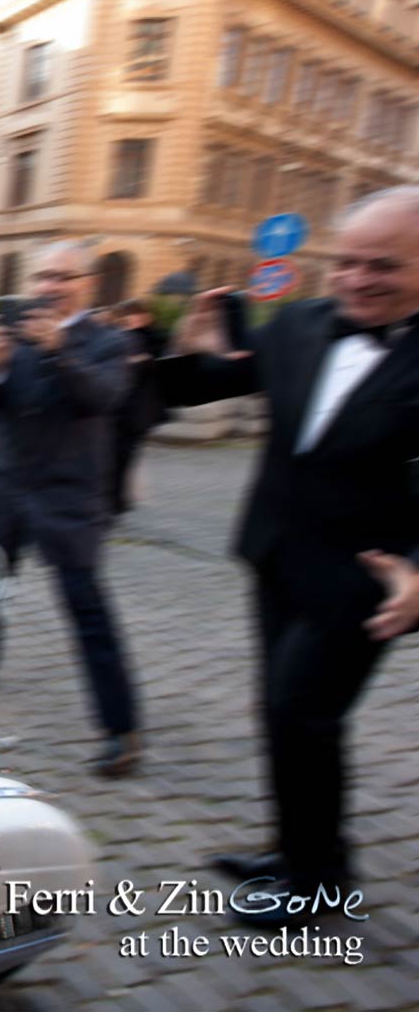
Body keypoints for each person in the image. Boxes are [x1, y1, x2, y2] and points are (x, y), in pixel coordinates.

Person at [156, 186, 419, 925]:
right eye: (346, 262)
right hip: (276, 552)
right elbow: (202, 385)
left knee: (303, 711)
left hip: (366, 575)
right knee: (278, 709)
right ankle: (294, 849)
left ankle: (320, 879)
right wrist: (188, 343)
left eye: (384, 266)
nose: (358, 278)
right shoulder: (300, 320)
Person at [0, 241, 143, 779]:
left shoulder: (109, 341)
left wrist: (58, 348)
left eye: (63, 277)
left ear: (87, 282)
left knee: (86, 607)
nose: (50, 287)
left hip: (68, 495)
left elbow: (101, 398)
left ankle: (120, 729)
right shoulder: (18, 335)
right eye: (43, 277)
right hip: (6, 485)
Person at [108, 298, 168, 515]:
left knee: (124, 457)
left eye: (133, 314)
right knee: (115, 456)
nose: (129, 319)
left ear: (145, 316)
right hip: (120, 408)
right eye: (126, 315)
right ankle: (115, 499)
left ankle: (117, 502)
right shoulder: (121, 337)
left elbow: (162, 364)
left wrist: (144, 360)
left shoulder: (154, 338)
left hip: (139, 411)